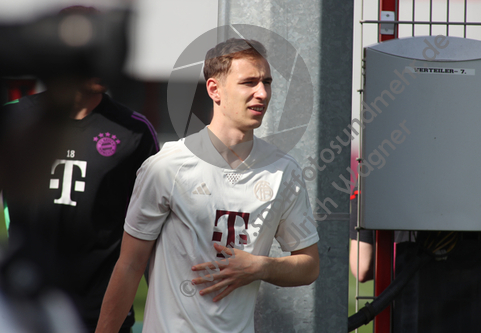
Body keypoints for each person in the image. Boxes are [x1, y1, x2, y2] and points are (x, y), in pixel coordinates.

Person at [95, 38, 320, 333]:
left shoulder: (284, 171)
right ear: (214, 89)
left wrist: (260, 267)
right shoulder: (166, 166)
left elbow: (309, 265)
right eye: (249, 82)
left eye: (267, 82)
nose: (262, 93)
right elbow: (129, 266)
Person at [1, 7, 159, 331]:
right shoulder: (15, 122)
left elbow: (151, 234)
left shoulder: (135, 132)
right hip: (25, 306)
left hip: (102, 315)